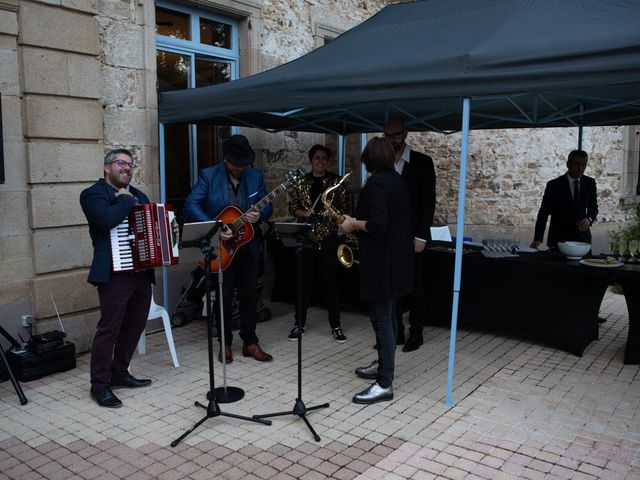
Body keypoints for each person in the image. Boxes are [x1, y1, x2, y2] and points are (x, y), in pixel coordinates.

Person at [183, 134, 273, 364]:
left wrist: (259, 214)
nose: (241, 168)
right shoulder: (208, 175)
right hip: (222, 249)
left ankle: (250, 342)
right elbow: (191, 204)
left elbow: (268, 204)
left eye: (244, 164)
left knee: (249, 295)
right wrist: (216, 227)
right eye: (236, 164)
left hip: (249, 247)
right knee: (223, 296)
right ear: (226, 160)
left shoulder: (255, 176)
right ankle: (225, 343)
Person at [340, 137, 414, 404]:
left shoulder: (377, 183)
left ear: (371, 160)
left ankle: (384, 382)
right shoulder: (399, 181)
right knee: (390, 315)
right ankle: (384, 364)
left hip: (383, 263)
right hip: (398, 261)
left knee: (382, 318)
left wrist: (353, 224)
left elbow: (379, 225)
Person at [80, 148, 154, 409]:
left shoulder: (139, 195)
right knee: (109, 329)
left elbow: (151, 225)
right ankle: (99, 385)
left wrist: (170, 229)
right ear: (106, 168)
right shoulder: (92, 194)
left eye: (130, 165)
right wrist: (124, 200)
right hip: (113, 274)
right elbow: (106, 219)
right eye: (121, 163)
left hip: (141, 273)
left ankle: (119, 373)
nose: (126, 168)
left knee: (135, 325)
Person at [384, 117, 436, 352]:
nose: (391, 139)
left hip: (413, 236)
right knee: (392, 287)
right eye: (387, 135)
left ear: (405, 134)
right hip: (389, 237)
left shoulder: (423, 162)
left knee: (415, 287)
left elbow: (428, 203)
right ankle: (395, 333)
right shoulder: (383, 162)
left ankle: (416, 333)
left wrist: (421, 236)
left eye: (395, 135)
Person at [287, 145, 348, 343]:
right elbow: (292, 207)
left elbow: (344, 208)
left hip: (329, 238)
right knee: (303, 284)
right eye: (317, 158)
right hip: (306, 238)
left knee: (330, 284)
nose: (320, 161)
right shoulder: (300, 182)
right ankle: (299, 324)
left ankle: (336, 325)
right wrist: (305, 214)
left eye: (324, 158)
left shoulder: (336, 182)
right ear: (311, 160)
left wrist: (334, 216)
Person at [530, 150, 598, 250]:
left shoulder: (590, 183)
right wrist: (538, 238)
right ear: (568, 164)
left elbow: (593, 208)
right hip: (559, 240)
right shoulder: (554, 185)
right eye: (576, 164)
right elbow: (543, 213)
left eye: (584, 165)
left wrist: (589, 219)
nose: (580, 169)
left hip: (582, 240)